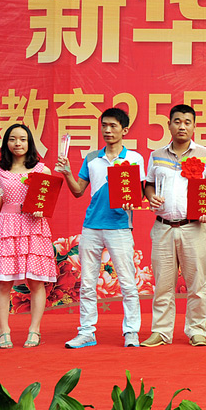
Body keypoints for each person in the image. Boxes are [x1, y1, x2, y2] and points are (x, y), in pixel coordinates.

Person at [57, 108, 146, 348]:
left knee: (127, 282)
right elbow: (78, 191)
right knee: (87, 283)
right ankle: (87, 332)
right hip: (92, 227)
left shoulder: (134, 158)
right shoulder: (91, 158)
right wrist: (67, 172)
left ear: (124, 130)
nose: (107, 130)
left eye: (113, 126)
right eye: (104, 125)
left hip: (119, 227)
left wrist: (131, 201)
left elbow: (139, 193)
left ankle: (131, 331)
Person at [141, 104, 206, 347]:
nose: (182, 126)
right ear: (169, 125)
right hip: (163, 226)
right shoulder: (156, 155)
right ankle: (161, 331)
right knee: (163, 283)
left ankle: (196, 330)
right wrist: (151, 196)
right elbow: (149, 184)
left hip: (193, 227)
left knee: (196, 283)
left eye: (187, 122)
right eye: (177, 121)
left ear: (194, 126)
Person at [0, 124, 57, 349]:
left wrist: (40, 208)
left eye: (22, 139)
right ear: (6, 143)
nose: (17, 143)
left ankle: (34, 330)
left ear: (29, 142)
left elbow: (46, 201)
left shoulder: (42, 170)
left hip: (33, 227)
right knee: (3, 283)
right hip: (7, 227)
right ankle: (3, 332)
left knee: (36, 282)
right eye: (12, 139)